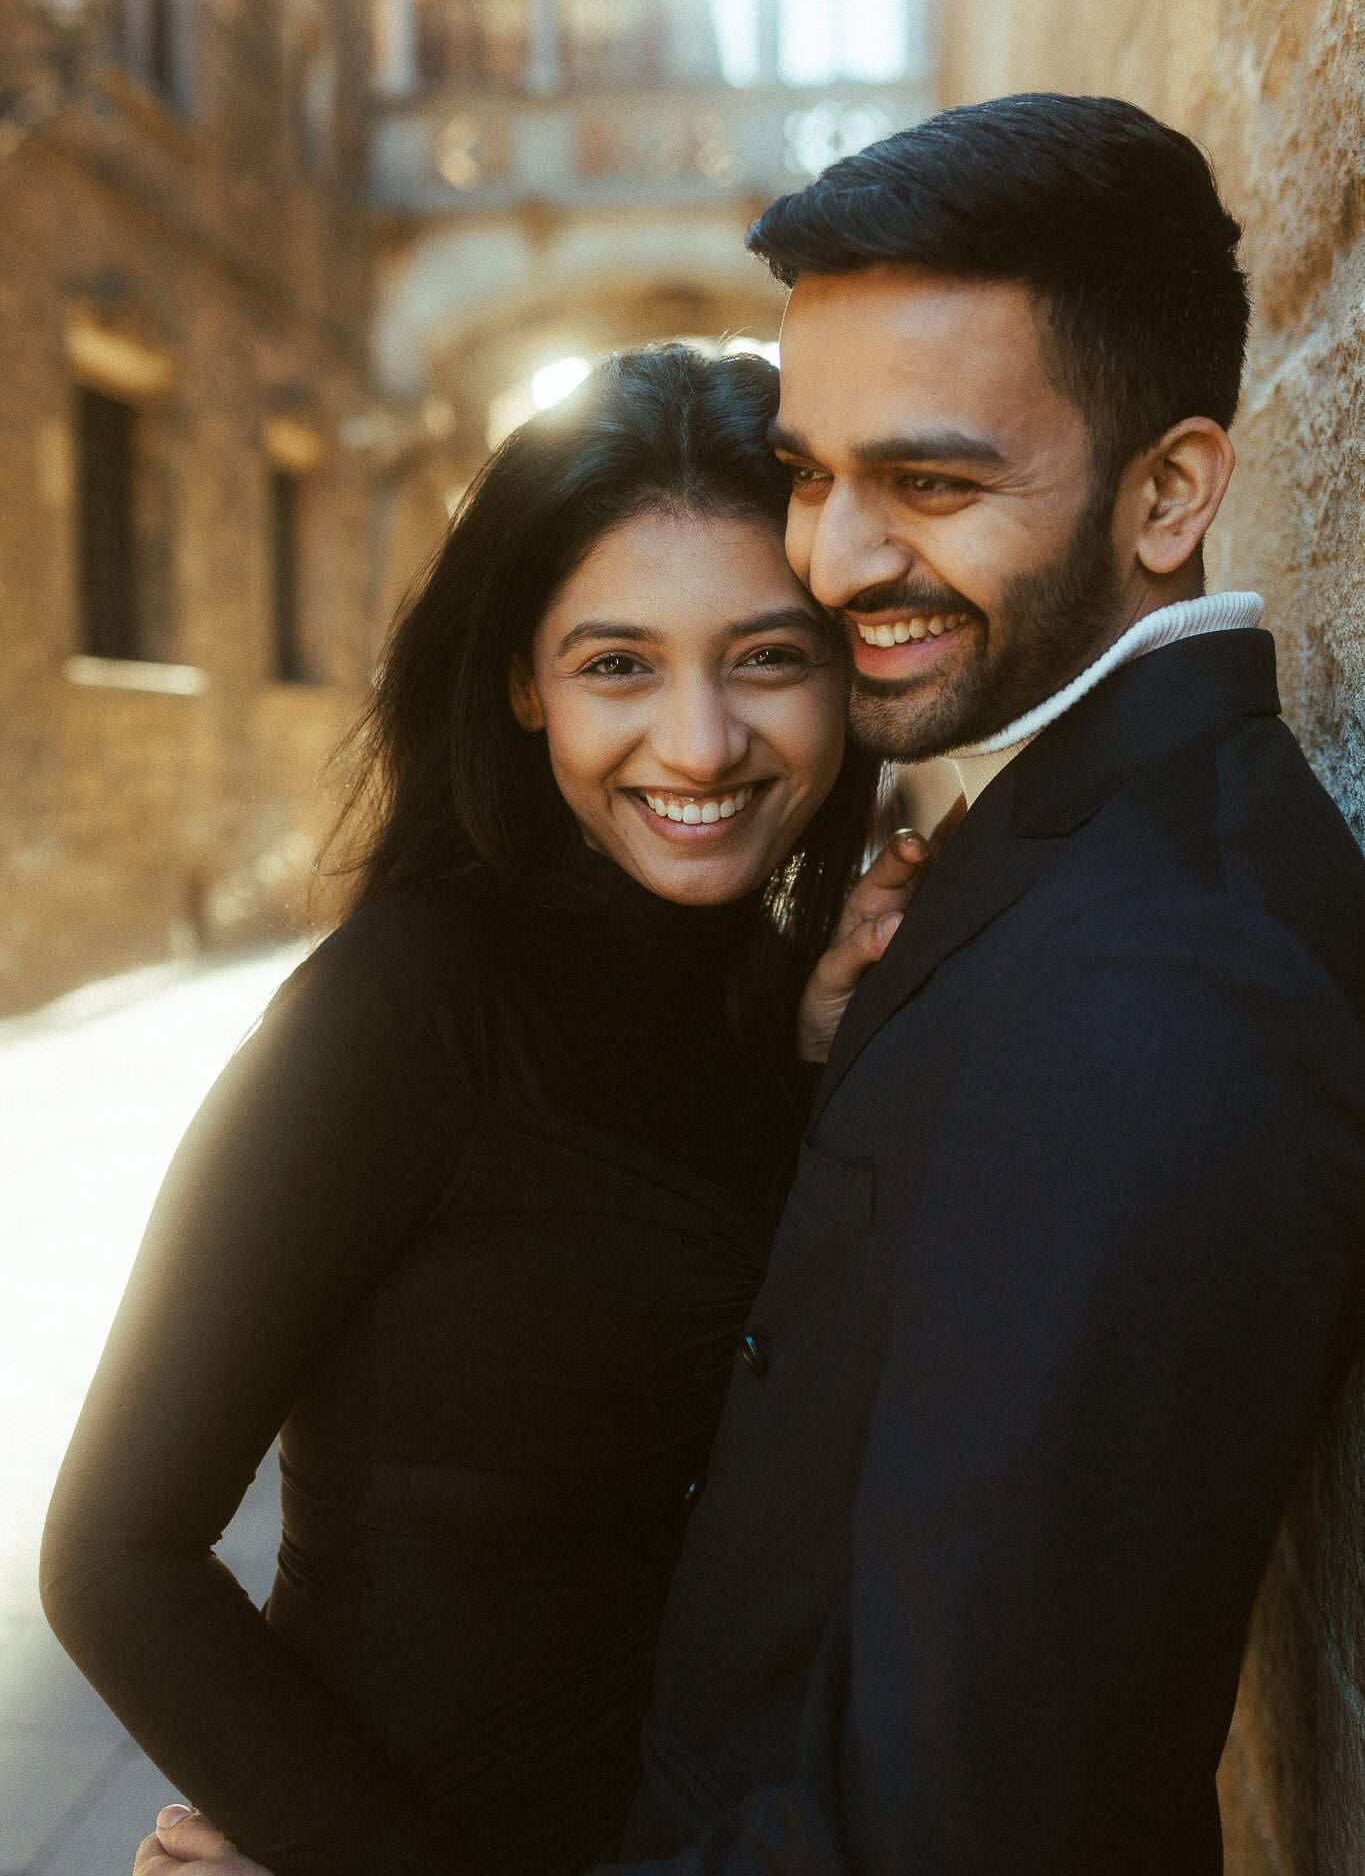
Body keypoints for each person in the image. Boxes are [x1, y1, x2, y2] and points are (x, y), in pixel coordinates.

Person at [139, 94, 1365, 1876]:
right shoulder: (1016, 877)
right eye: (814, 472)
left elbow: (963, 1818)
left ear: (1169, 490)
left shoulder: (1160, 979)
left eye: (930, 481)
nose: (843, 557)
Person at [42, 345, 920, 1876]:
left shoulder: (769, 1003)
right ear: (522, 682)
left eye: (766, 658)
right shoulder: (402, 1008)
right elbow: (115, 1558)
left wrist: (803, 1058)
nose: (701, 743)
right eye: (617, 664)